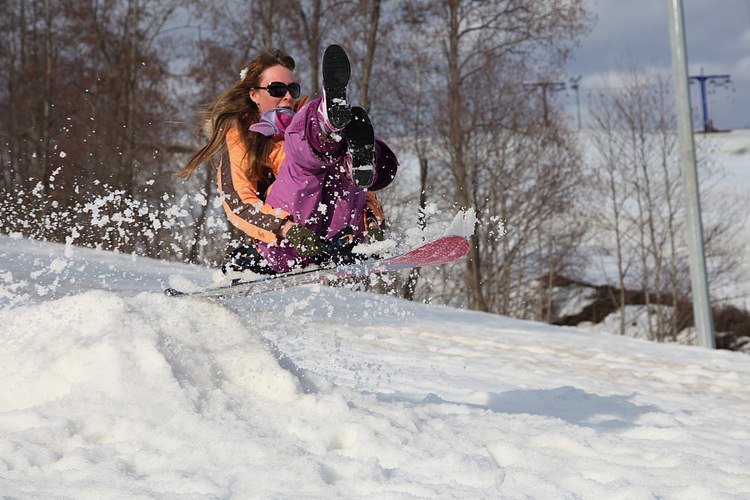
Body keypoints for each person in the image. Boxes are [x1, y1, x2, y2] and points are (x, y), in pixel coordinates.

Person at [177, 45, 398, 275]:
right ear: (254, 94)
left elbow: (366, 197)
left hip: (343, 236)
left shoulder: (298, 118)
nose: (288, 96)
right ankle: (325, 125)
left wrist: (371, 223)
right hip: (287, 245)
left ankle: (354, 157)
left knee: (342, 158)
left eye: (293, 88)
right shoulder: (240, 137)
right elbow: (239, 204)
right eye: (277, 89)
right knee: (301, 153)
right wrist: (285, 228)